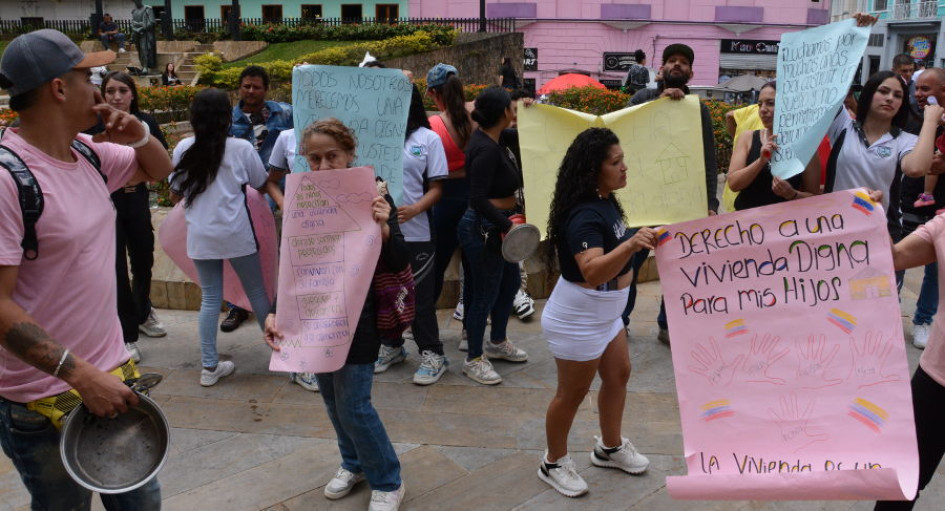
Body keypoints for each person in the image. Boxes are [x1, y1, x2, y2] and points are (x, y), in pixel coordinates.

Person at [0, 29, 171, 509]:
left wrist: (136, 131)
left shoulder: (88, 153)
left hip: (115, 377)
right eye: (88, 75)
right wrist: (79, 375)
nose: (98, 87)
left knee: (141, 504)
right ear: (59, 88)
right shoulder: (8, 178)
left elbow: (156, 170)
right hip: (43, 398)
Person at [264, 118, 407, 511]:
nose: (324, 166)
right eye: (315, 158)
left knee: (355, 404)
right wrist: (276, 312)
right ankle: (353, 463)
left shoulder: (375, 195)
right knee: (330, 397)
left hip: (359, 318)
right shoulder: (302, 199)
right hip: (313, 317)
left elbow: (398, 260)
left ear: (349, 155)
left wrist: (384, 225)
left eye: (333, 156)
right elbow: (292, 263)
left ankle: (388, 480)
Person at [538, 127, 656, 497]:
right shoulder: (584, 215)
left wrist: (642, 241)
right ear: (594, 169)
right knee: (571, 394)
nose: (625, 167)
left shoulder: (604, 198)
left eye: (623, 160)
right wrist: (632, 245)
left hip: (606, 315)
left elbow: (618, 246)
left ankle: (609, 447)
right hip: (579, 319)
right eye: (616, 162)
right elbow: (592, 270)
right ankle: (553, 461)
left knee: (619, 374)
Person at [169, 88, 273, 387]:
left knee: (211, 298)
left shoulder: (183, 147)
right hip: (236, 232)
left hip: (201, 235)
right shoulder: (241, 148)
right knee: (257, 294)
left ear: (194, 117)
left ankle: (209, 366)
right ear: (228, 117)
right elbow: (260, 183)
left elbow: (176, 193)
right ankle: (282, 356)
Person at [624, 43, 719, 344]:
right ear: (661, 68)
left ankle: (669, 325)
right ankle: (620, 321)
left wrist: (710, 203)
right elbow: (620, 132)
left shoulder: (698, 109)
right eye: (671, 61)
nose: (677, 65)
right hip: (643, 202)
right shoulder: (642, 98)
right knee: (628, 264)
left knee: (678, 269)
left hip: (683, 205)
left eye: (683, 62)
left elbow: (708, 157)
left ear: (691, 72)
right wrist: (656, 105)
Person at [374, 84, 449, 384]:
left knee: (419, 297)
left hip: (417, 232)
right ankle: (392, 346)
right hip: (379, 233)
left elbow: (438, 188)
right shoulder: (370, 135)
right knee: (385, 294)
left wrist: (415, 209)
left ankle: (433, 353)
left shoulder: (428, 139)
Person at [458, 86, 529, 385]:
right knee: (483, 294)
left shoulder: (496, 138)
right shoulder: (486, 149)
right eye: (512, 108)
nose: (514, 112)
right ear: (502, 113)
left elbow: (524, 132)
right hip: (483, 229)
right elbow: (477, 199)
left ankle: (497, 342)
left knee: (510, 282)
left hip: (494, 227)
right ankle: (474, 358)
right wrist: (506, 224)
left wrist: (529, 109)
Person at [824, 70, 941, 251]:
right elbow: (826, 86)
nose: (889, 98)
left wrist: (930, 121)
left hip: (882, 235)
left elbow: (916, 168)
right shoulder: (843, 126)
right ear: (869, 94)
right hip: (834, 230)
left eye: (897, 95)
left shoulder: (906, 140)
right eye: (883, 91)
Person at [877, 204, 945, 510]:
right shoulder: (943, 224)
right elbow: (894, 257)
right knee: (902, 482)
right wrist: (871, 215)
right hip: (937, 377)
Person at [100, 71, 169, 363]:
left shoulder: (145, 122)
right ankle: (126, 334)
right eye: (110, 91)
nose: (116, 97)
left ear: (132, 94)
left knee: (143, 258)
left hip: (137, 199)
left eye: (122, 91)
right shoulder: (94, 126)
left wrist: (142, 179)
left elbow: (163, 158)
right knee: (115, 266)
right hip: (106, 202)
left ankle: (142, 311)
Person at [225, 65, 293, 333]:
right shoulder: (230, 120)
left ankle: (283, 303)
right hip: (245, 190)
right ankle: (237, 305)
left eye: (256, 87)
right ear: (239, 88)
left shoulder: (285, 113)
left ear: (266, 89)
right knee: (241, 247)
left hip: (280, 186)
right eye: (246, 86)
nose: (251, 91)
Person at [900, 67, 945, 349]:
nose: (918, 94)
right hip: (909, 200)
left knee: (934, 266)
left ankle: (923, 320)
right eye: (917, 88)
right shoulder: (909, 118)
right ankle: (887, 309)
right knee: (897, 258)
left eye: (925, 89)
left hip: (940, 205)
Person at [726, 81, 821, 210]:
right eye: (760, 104)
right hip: (747, 224)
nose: (763, 110)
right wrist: (760, 162)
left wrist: (792, 194)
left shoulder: (805, 145)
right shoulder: (747, 138)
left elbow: (815, 198)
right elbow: (733, 183)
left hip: (784, 225)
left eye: (770, 103)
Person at [426, 63, 473, 321]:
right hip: (473, 199)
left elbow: (428, 170)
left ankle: (422, 322)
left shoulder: (433, 125)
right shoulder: (475, 119)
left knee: (435, 266)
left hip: (443, 201)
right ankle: (469, 328)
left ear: (434, 93)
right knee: (472, 267)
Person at [131, 0, 156, 74]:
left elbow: (152, 22)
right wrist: (135, 28)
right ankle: (142, 65)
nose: (136, 2)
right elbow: (133, 22)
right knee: (139, 50)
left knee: (144, 49)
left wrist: (141, 28)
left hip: (145, 34)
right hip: (136, 33)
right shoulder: (134, 11)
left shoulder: (148, 9)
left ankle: (145, 67)